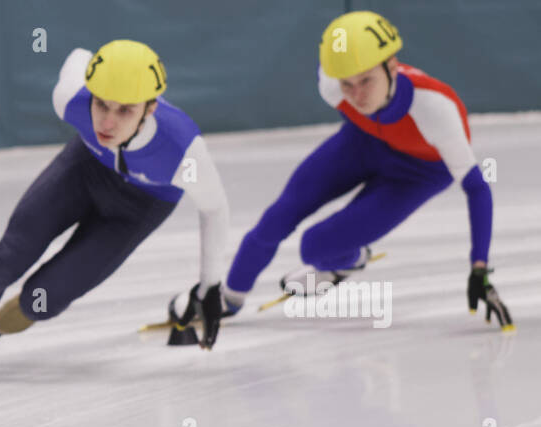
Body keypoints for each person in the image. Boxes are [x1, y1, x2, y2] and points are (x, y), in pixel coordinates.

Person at [0, 37, 231, 376]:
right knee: (8, 257)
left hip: (139, 207)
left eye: (125, 110)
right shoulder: (70, 98)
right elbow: (79, 55)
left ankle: (28, 303)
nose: (107, 123)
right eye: (102, 105)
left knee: (42, 299)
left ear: (151, 108)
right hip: (85, 170)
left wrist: (210, 287)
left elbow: (215, 209)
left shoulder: (183, 149)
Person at [219, 10, 511, 329]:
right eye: (348, 85)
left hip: (418, 174)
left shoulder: (436, 110)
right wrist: (224, 299)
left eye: (366, 81)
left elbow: (478, 188)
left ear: (392, 65)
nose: (357, 96)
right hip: (364, 142)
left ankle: (352, 260)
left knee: (314, 247)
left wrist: (479, 268)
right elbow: (355, 99)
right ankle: (227, 299)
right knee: (277, 218)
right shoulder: (330, 83)